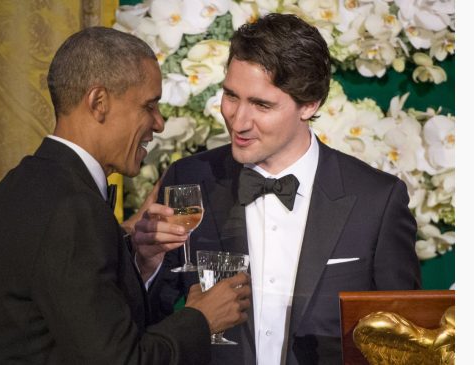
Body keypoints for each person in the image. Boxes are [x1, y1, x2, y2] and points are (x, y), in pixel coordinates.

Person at [132, 13, 421, 365]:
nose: (238, 120)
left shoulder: (377, 199)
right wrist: (146, 264)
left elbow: (405, 339)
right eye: (231, 96)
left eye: (261, 105)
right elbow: (147, 320)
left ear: (310, 104)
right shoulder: (190, 179)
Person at [0, 26, 251, 365]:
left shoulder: (21, 183)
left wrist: (138, 261)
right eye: (149, 105)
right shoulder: (72, 207)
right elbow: (121, 359)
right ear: (99, 103)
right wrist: (201, 318)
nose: (159, 123)